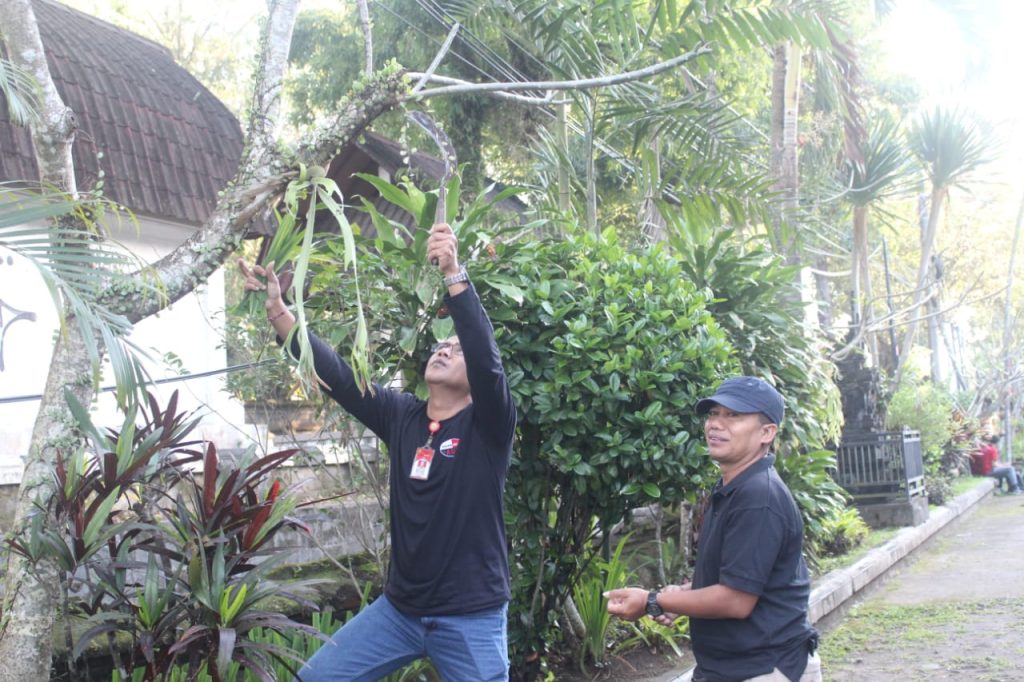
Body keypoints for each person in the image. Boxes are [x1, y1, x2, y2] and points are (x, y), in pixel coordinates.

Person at [238, 222, 517, 681]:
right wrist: (278, 313)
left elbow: (487, 359)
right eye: (440, 345)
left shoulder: (489, 426)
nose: (444, 351)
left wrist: (453, 271)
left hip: (471, 616)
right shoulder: (402, 415)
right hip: (399, 612)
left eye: (457, 349)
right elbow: (338, 376)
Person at [605, 376, 821, 682]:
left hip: (763, 669)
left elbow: (736, 600)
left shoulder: (758, 497)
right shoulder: (735, 487)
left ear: (766, 432)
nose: (716, 424)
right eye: (713, 414)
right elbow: (741, 574)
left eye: (734, 415)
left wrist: (652, 601)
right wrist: (683, 595)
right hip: (732, 668)